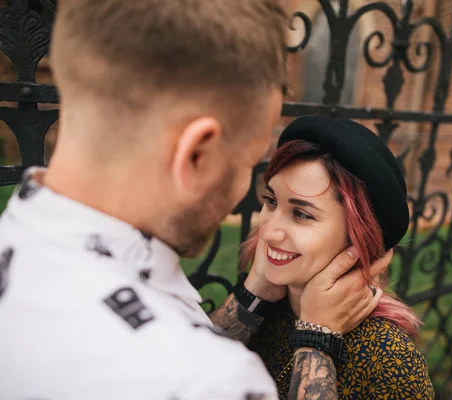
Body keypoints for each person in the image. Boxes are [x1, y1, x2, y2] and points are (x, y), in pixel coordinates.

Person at [0, 1, 389, 399]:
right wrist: (318, 341)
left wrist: (253, 296)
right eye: (248, 163)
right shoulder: (210, 381)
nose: (267, 227)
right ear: (196, 155)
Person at [242, 116, 435, 399]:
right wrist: (252, 295)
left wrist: (316, 336)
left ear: (357, 235)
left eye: (302, 214)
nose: (268, 232)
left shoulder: (389, 360)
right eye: (271, 201)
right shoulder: (264, 312)